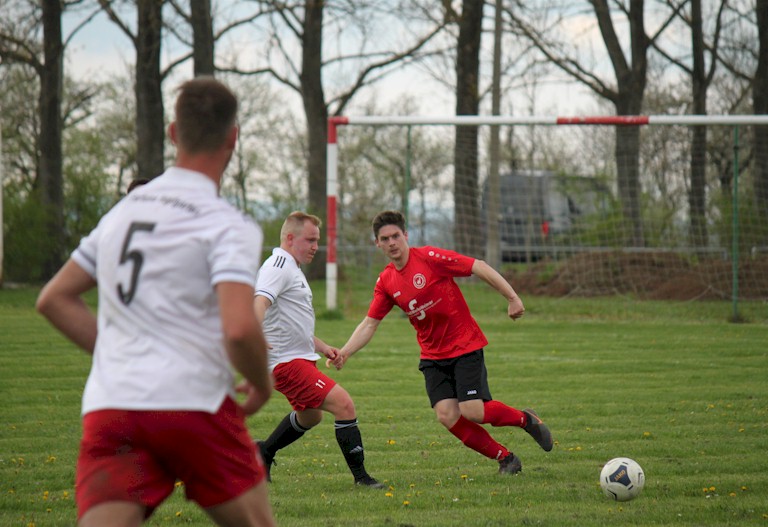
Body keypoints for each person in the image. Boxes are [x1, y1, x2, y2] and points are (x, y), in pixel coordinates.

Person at [36, 77, 277, 527]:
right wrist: (262, 384)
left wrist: (121, 350)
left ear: (172, 133)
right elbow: (240, 328)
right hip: (193, 403)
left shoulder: (122, 213)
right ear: (233, 137)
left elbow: (54, 298)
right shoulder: (226, 223)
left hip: (113, 406)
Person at [329, 210, 553, 476]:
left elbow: (477, 265)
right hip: (433, 356)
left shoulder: (430, 258)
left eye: (396, 236)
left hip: (464, 345)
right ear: (377, 243)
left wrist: (512, 297)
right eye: (384, 238)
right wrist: (345, 352)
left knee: (472, 411)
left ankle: (526, 420)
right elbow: (369, 323)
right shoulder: (386, 281)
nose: (391, 243)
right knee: (447, 415)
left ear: (406, 236)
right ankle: (506, 459)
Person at [254, 211, 384, 489]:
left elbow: (292, 323)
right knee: (344, 404)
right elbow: (259, 302)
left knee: (311, 416)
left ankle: (263, 451)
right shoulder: (278, 265)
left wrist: (323, 347)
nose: (316, 246)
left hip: (299, 358)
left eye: (317, 240)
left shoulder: (292, 267)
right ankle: (362, 478)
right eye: (310, 240)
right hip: (284, 362)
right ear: (290, 238)